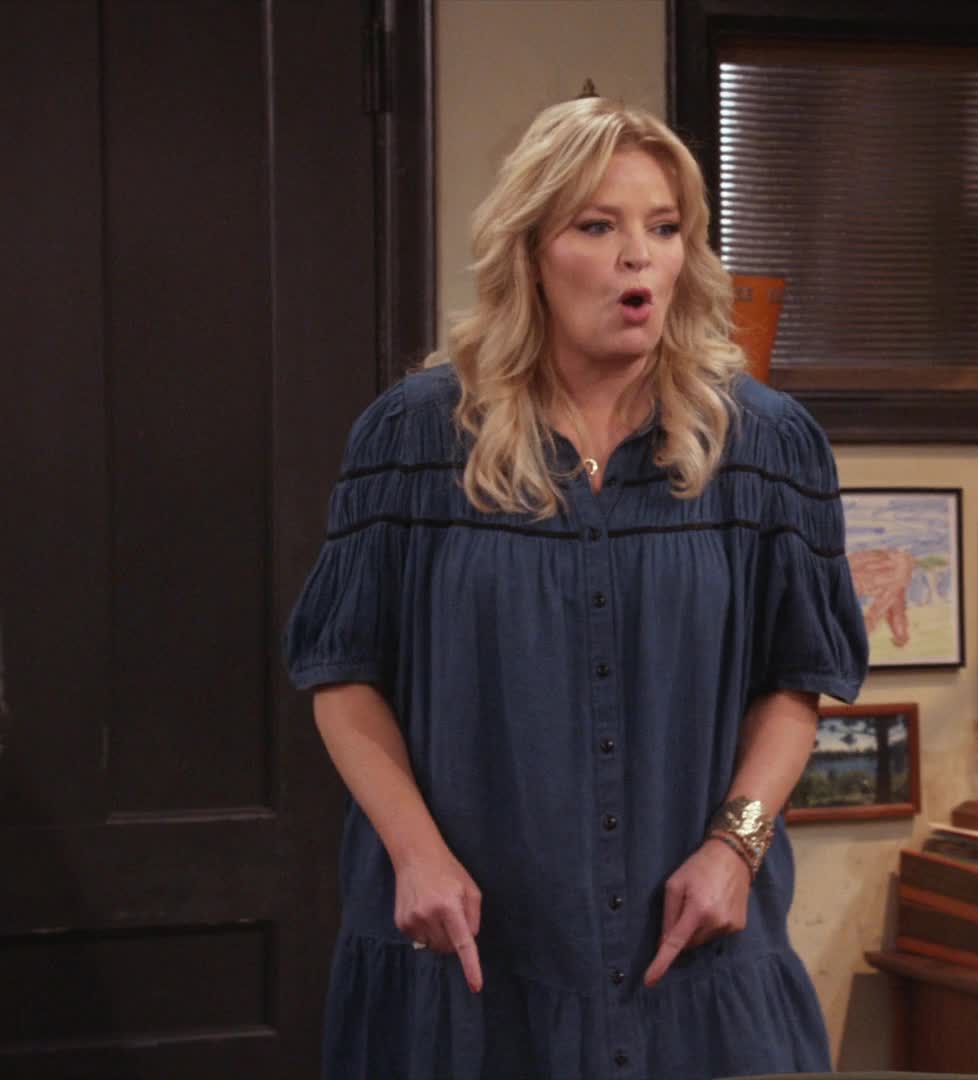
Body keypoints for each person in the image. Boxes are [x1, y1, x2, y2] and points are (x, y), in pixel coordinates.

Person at [284, 95, 868, 1079]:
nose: (639, 257)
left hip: (691, 959)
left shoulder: (764, 445)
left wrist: (736, 847)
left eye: (664, 228)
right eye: (598, 227)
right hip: (472, 959)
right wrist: (415, 854)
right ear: (531, 254)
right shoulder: (416, 437)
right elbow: (343, 674)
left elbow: (795, 680)